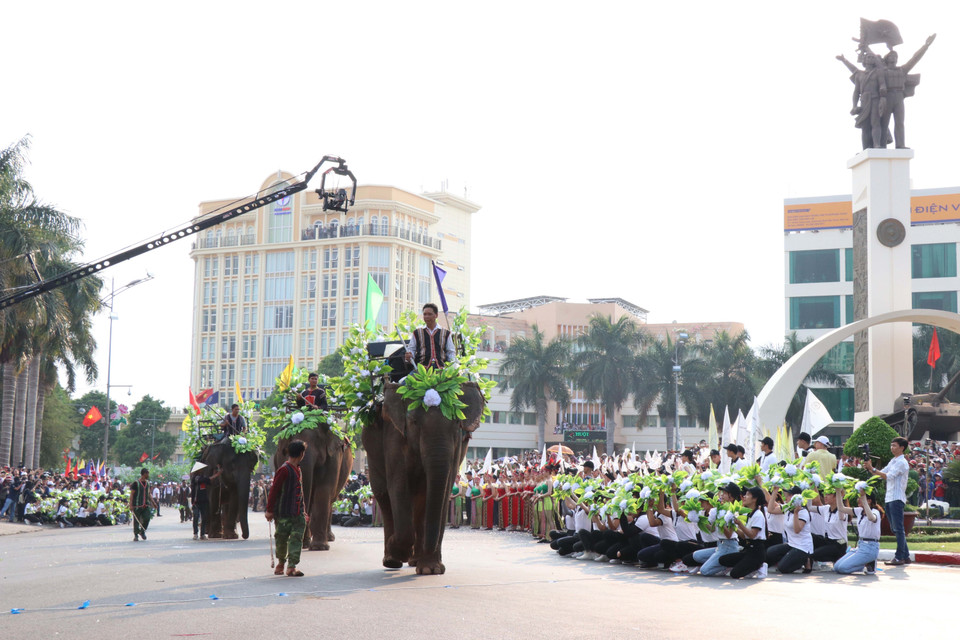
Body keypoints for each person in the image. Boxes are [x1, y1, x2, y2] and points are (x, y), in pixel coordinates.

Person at [880, 34, 936, 149]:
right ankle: (881, 145)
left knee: (899, 123)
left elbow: (915, 58)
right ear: (887, 59)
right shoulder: (882, 71)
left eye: (895, 56)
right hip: (888, 96)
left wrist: (926, 46)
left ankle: (900, 145)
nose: (894, 57)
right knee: (884, 123)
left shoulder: (902, 70)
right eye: (891, 56)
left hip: (899, 97)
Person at [865, 436, 911, 566]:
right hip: (890, 497)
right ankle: (905, 556)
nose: (892, 448)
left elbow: (888, 476)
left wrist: (873, 469)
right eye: (891, 445)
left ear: (902, 448)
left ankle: (899, 557)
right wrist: (870, 468)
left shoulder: (902, 462)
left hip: (896, 498)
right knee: (896, 528)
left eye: (895, 445)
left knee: (898, 528)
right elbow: (881, 473)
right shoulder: (893, 461)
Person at [266, 439, 308, 577]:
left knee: (297, 538)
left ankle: (291, 566)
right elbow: (274, 491)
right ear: (301, 454)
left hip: (297, 513)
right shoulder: (284, 470)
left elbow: (300, 492)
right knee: (282, 538)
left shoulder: (298, 470)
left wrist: (304, 511)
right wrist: (269, 510)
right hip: (284, 512)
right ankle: (281, 563)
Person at [718, 486, 768, 579]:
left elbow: (752, 535)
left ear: (755, 499)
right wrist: (733, 525)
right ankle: (749, 566)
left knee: (735, 574)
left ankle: (759, 566)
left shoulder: (758, 514)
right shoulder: (749, 513)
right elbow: (744, 536)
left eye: (748, 494)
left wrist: (740, 524)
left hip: (756, 551)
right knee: (723, 560)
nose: (744, 496)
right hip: (748, 549)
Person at [834, 487, 883, 575]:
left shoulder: (875, 512)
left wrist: (863, 496)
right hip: (861, 546)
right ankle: (866, 562)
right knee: (836, 567)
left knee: (842, 568)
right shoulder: (859, 511)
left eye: (860, 498)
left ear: (869, 500)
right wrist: (838, 492)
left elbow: (871, 518)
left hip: (870, 547)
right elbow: (841, 508)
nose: (858, 500)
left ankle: (866, 563)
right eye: (859, 497)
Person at [765, 487, 814, 574]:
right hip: (792, 544)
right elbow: (770, 510)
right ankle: (791, 558)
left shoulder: (803, 512)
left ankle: (806, 559)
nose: (785, 498)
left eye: (788, 496)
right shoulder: (787, 508)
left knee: (782, 568)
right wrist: (775, 491)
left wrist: (795, 513)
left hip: (802, 547)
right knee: (770, 552)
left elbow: (797, 530)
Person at [404, 303, 455, 369]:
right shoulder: (416, 333)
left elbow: (450, 352)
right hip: (422, 370)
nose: (427, 317)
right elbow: (411, 349)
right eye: (425, 314)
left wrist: (452, 367)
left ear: (436, 315)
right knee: (407, 380)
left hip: (441, 369)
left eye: (430, 314)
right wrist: (409, 355)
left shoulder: (446, 333)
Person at [191, 465, 221, 540]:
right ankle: (195, 533)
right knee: (196, 517)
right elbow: (205, 479)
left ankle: (202, 534)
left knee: (204, 518)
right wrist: (216, 475)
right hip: (196, 501)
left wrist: (215, 474)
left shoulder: (203, 477)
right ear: (198, 470)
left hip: (204, 501)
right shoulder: (196, 478)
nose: (202, 470)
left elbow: (209, 481)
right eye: (201, 469)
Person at [129, 468, 152, 542]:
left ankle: (142, 531)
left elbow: (149, 494)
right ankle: (136, 535)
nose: (148, 475)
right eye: (147, 473)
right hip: (137, 506)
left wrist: (154, 503)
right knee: (136, 521)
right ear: (143, 474)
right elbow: (132, 495)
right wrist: (131, 505)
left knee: (147, 518)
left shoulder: (148, 483)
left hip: (146, 505)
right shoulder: (136, 483)